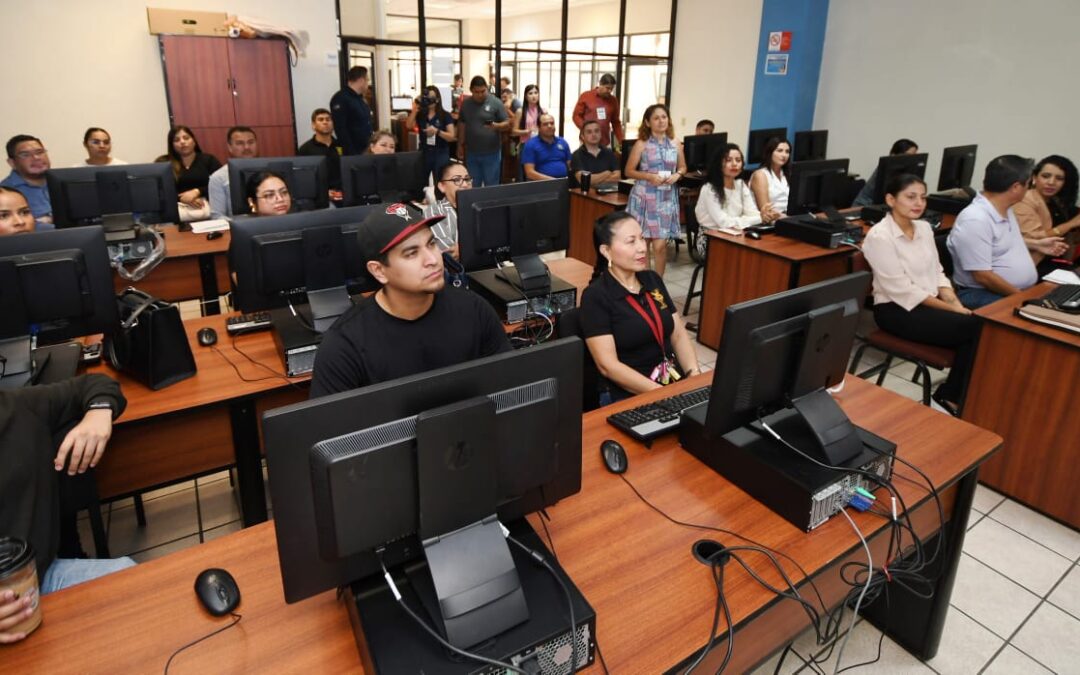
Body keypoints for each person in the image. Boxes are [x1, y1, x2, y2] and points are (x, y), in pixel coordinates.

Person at [309, 203, 511, 397]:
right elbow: (331, 430)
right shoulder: (343, 346)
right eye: (412, 253)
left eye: (431, 244)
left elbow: (511, 387)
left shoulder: (473, 309)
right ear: (379, 271)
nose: (433, 260)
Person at [0, 373, 134, 643]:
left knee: (131, 581)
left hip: (41, 580)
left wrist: (98, 412)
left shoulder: (16, 407)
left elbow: (95, 384)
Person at [862, 174, 978, 416]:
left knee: (979, 330)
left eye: (923, 198)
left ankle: (958, 394)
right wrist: (955, 311)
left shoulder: (925, 228)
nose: (919, 203)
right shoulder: (879, 236)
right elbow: (903, 290)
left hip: (929, 304)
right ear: (891, 199)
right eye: (911, 197)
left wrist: (954, 300)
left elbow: (937, 272)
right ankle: (951, 397)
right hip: (895, 310)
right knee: (976, 330)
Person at [581, 211, 699, 404]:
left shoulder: (652, 279)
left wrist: (693, 374)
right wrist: (661, 394)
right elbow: (608, 366)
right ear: (606, 251)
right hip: (629, 393)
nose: (642, 248)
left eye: (642, 239)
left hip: (670, 381)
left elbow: (678, 334)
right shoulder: (596, 296)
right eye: (631, 241)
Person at [947, 155, 1066, 309]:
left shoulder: (1005, 207)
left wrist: (1036, 244)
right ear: (1016, 187)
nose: (1029, 188)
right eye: (1028, 184)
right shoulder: (975, 220)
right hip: (980, 293)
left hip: (1011, 290)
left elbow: (997, 243)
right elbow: (983, 277)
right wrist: (1024, 299)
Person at [623, 104, 687, 278]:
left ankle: (658, 285)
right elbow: (629, 171)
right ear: (647, 122)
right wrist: (648, 176)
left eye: (664, 117)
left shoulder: (675, 142)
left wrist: (678, 175)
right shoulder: (641, 144)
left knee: (660, 246)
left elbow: (683, 166)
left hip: (665, 198)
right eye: (656, 118)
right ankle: (645, 283)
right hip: (644, 198)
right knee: (644, 245)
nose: (661, 121)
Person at [1014, 155, 1080, 273]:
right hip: (1035, 263)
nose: (1051, 182)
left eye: (1059, 178)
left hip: (1058, 260)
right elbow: (1035, 239)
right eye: (1046, 176)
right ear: (1035, 177)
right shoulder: (1025, 200)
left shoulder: (1056, 200)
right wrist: (1071, 224)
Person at [693, 143, 761, 259]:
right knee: (743, 257)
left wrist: (762, 216)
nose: (734, 164)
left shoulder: (740, 185)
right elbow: (724, 223)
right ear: (719, 164)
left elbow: (753, 213)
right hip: (711, 238)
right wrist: (756, 218)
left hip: (738, 234)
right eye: (729, 160)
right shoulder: (710, 188)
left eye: (738, 160)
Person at [456, 76, 511, 188]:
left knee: (491, 185)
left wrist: (496, 126)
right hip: (472, 153)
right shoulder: (466, 104)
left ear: (487, 88)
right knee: (472, 185)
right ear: (471, 90)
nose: (480, 94)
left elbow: (507, 123)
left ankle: (491, 206)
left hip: (492, 153)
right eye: (477, 92)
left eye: (483, 91)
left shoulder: (496, 102)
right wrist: (460, 145)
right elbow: (462, 124)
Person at [163, 126, 221, 223]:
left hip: (209, 215)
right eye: (176, 140)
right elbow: (160, 191)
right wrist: (182, 199)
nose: (182, 142)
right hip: (176, 220)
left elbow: (221, 185)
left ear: (194, 140)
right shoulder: (164, 163)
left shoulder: (208, 160)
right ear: (171, 145)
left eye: (186, 138)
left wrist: (197, 191)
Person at [405, 85, 456, 184]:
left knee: (441, 182)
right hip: (424, 152)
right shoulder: (421, 114)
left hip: (440, 152)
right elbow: (408, 125)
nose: (429, 100)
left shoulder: (445, 115)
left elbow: (451, 136)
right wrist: (415, 108)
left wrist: (437, 131)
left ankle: (440, 199)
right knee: (420, 182)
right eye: (427, 97)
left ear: (437, 99)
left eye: (431, 97)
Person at [423, 161, 472, 258]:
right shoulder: (434, 211)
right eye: (457, 180)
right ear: (442, 186)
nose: (465, 184)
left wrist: (463, 248)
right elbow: (449, 251)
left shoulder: (480, 207)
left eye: (467, 179)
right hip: (456, 271)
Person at [2, 135, 53, 229]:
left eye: (40, 152)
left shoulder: (64, 182)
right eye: (25, 155)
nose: (36, 157)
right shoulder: (5, 193)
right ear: (12, 163)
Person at [208, 126, 258, 219]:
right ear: (230, 147)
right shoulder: (218, 178)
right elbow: (217, 216)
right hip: (236, 228)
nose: (247, 147)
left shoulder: (270, 172)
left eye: (251, 142)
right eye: (240, 143)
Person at [853, 138, 919, 207]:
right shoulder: (886, 168)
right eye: (908, 156)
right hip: (863, 207)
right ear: (893, 155)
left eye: (914, 156)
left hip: (880, 207)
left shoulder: (905, 171)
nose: (912, 160)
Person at [297, 108, 345, 203]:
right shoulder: (305, 149)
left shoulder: (342, 145)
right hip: (319, 198)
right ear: (313, 125)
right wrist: (322, 192)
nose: (325, 122)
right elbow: (303, 179)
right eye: (321, 119)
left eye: (328, 119)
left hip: (344, 194)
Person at [572, 74, 623, 149]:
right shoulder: (586, 96)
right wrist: (586, 128)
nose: (609, 91)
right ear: (600, 84)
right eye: (607, 88)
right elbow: (576, 116)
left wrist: (621, 139)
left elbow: (616, 122)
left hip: (605, 142)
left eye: (611, 89)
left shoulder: (613, 101)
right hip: (586, 142)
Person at [330, 65, 373, 156]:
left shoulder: (360, 99)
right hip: (353, 152)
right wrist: (352, 155)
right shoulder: (341, 98)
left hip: (366, 149)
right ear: (361, 80)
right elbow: (341, 130)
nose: (368, 84)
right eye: (367, 80)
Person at [749, 136, 791, 224]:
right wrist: (786, 218)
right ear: (770, 152)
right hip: (771, 221)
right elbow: (766, 209)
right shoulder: (760, 175)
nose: (784, 155)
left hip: (788, 217)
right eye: (779, 151)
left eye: (787, 151)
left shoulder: (787, 174)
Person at [570, 120, 620, 188]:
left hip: (608, 193)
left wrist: (595, 180)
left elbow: (618, 176)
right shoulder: (577, 155)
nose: (593, 134)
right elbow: (584, 180)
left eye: (596, 131)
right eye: (589, 132)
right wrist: (606, 173)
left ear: (600, 134)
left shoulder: (609, 152)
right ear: (582, 136)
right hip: (585, 195)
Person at [521, 114, 571, 181]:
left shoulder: (562, 142)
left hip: (564, 183)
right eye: (545, 124)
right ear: (538, 127)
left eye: (552, 123)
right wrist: (554, 181)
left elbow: (570, 166)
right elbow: (529, 173)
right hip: (542, 185)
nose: (549, 126)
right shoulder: (531, 145)